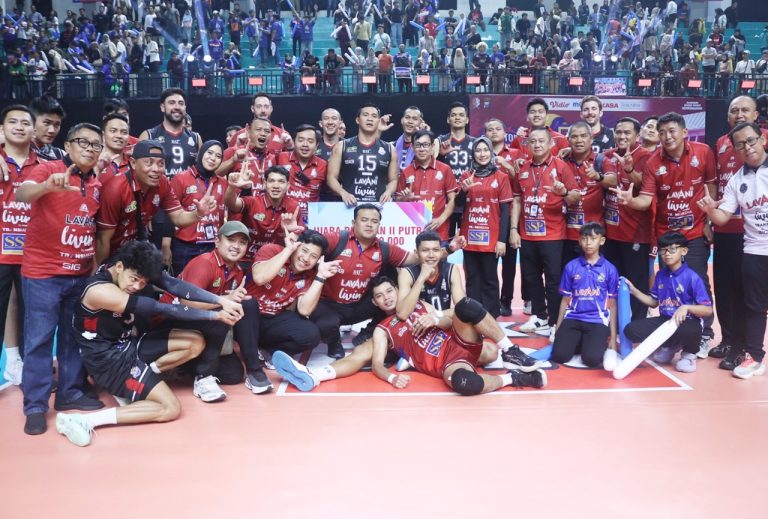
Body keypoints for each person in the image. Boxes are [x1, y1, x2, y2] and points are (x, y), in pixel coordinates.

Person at [54, 240, 242, 447]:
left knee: (195, 342)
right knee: (171, 408)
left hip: (129, 344)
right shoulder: (100, 291)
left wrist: (220, 301)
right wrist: (215, 316)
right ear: (119, 267)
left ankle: (142, 378)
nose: (137, 286)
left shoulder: (133, 270)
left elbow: (174, 285)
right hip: (109, 361)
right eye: (134, 280)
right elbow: (162, 308)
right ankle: (85, 420)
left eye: (143, 282)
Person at [274, 277, 545, 393]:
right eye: (379, 296)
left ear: (396, 291)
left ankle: (511, 350)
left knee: (466, 307)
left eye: (389, 292)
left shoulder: (418, 305)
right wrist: (390, 376)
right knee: (466, 384)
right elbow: (376, 364)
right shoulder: (384, 329)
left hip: (459, 340)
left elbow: (451, 318)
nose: (386, 298)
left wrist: (436, 319)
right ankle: (516, 378)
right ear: (376, 303)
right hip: (449, 363)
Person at [16, 123, 105, 436]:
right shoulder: (48, 169)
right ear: (68, 145)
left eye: (96, 144)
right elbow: (22, 193)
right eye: (83, 142)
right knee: (39, 340)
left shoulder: (96, 182)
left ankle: (69, 393)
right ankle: (35, 406)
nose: (90, 149)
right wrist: (45, 187)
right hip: (44, 274)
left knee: (73, 338)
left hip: (79, 275)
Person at [612, 112, 716, 352]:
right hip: (666, 235)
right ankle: (672, 335)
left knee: (698, 281)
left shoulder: (703, 152)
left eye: (672, 131)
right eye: (662, 133)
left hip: (695, 231)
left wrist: (709, 221)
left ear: (684, 132)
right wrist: (630, 201)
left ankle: (703, 333)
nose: (667, 137)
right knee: (668, 283)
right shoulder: (653, 162)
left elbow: (711, 187)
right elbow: (646, 200)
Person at [308, 203, 430, 359]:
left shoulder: (383, 248)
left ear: (379, 225)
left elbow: (413, 259)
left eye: (374, 221)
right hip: (330, 305)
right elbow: (308, 246)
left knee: (390, 284)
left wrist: (447, 250)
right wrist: (295, 236)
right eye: (364, 220)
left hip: (360, 305)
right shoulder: (337, 239)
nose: (369, 224)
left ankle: (371, 330)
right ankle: (333, 341)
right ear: (353, 223)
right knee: (326, 324)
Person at [697, 121, 768, 379]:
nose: (747, 147)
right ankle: (755, 357)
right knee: (754, 306)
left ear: (762, 139)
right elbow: (723, 217)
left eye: (751, 140)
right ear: (735, 151)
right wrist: (710, 211)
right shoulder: (737, 181)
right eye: (740, 145)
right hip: (755, 250)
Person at [95, 140, 219, 267]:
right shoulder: (116, 189)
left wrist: (198, 213)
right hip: (112, 254)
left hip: (136, 251)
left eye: (161, 164)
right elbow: (102, 240)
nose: (156, 169)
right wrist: (101, 273)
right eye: (149, 163)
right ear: (133, 163)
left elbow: (178, 217)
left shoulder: (163, 182)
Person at [510, 128, 580, 337]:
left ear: (550, 144)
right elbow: (517, 200)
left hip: (553, 235)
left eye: (542, 141)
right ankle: (539, 316)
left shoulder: (561, 166)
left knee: (553, 280)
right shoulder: (522, 168)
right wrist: (514, 229)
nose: (537, 145)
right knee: (531, 278)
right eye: (533, 141)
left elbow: (575, 197)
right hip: (527, 234)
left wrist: (563, 192)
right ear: (528, 145)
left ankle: (555, 321)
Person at [622, 232, 713, 373]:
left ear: (684, 251)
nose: (667, 254)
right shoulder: (661, 274)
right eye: (663, 250)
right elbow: (653, 302)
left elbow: (707, 310)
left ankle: (689, 355)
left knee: (692, 330)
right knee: (631, 330)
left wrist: (686, 308)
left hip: (687, 322)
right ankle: (669, 345)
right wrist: (634, 291)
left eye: (672, 249)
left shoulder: (692, 277)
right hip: (666, 320)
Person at [247, 229, 340, 359]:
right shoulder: (272, 250)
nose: (306, 259)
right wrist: (288, 250)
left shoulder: (309, 274)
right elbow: (259, 278)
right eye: (304, 251)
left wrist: (321, 276)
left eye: (313, 256)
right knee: (248, 305)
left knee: (311, 335)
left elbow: (304, 310)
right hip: (247, 315)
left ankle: (268, 353)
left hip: (273, 318)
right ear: (296, 246)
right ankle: (250, 356)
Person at [0, 105, 40, 386]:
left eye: (25, 123)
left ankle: (27, 371)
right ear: (2, 129)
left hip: (32, 256)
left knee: (30, 317)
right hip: (1, 255)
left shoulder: (44, 165)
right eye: (12, 122)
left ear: (33, 130)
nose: (19, 127)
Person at [601, 117, 654, 321]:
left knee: (636, 283)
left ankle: (638, 324)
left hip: (636, 234)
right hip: (611, 233)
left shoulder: (647, 156)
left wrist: (630, 169)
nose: (622, 136)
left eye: (627, 132)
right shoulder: (607, 155)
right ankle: (615, 322)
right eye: (619, 132)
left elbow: (644, 187)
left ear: (637, 136)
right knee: (613, 281)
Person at [551, 222, 618, 367]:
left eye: (593, 238)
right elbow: (565, 300)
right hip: (573, 318)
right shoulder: (571, 266)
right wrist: (558, 329)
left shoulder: (610, 269)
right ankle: (581, 341)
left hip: (597, 320)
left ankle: (590, 342)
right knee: (559, 356)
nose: (588, 243)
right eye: (584, 238)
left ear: (602, 241)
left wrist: (613, 337)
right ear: (579, 241)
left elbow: (612, 304)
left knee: (591, 359)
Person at [459, 136, 512, 318]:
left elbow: (505, 211)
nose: (482, 154)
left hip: (491, 239)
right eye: (478, 150)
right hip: (469, 238)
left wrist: (502, 240)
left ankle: (491, 316)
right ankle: (473, 315)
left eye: (485, 150)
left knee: (490, 278)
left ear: (491, 152)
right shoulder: (466, 176)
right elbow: (458, 206)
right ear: (473, 153)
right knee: (472, 278)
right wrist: (463, 191)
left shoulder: (501, 177)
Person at [168, 140, 228, 274]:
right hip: (185, 246)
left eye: (218, 156)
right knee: (182, 283)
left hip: (211, 245)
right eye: (210, 153)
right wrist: (166, 244)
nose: (213, 158)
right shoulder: (181, 178)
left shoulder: (223, 183)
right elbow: (169, 212)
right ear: (200, 154)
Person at [561, 122, 616, 266]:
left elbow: (613, 181)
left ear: (591, 139)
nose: (579, 140)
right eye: (574, 136)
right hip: (565, 235)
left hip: (593, 235)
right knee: (567, 275)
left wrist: (598, 176)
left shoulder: (601, 160)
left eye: (583, 136)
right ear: (568, 140)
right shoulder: (561, 161)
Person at [225, 165, 301, 263]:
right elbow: (232, 204)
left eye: (281, 181)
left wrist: (292, 233)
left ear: (288, 185)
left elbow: (297, 240)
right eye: (271, 181)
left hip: (272, 261)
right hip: (244, 259)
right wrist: (231, 187)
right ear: (265, 184)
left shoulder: (294, 208)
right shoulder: (253, 202)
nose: (276, 186)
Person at [326, 103, 398, 205]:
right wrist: (343, 193)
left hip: (378, 207)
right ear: (357, 120)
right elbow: (331, 178)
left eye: (374, 116)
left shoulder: (390, 149)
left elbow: (394, 180)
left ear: (378, 121)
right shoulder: (341, 146)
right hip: (349, 206)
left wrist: (388, 192)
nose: (370, 119)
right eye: (365, 115)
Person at [396, 130, 457, 242]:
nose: (422, 149)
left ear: (432, 146)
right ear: (412, 147)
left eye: (425, 145)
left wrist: (440, 219)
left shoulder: (445, 169)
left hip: (440, 231)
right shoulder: (406, 172)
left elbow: (452, 200)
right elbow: (397, 201)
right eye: (418, 145)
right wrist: (405, 199)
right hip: (413, 233)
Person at [434, 102, 475, 235]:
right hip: (445, 201)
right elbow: (431, 168)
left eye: (461, 115)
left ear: (467, 120)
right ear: (448, 119)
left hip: (469, 200)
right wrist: (441, 155)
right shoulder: (439, 141)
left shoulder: (475, 143)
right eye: (454, 115)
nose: (457, 117)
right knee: (445, 241)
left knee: (467, 242)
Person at [276, 124, 328, 223]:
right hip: (283, 216)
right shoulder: (281, 157)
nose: (305, 144)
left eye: (310, 141)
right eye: (300, 140)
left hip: (310, 220)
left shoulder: (323, 165)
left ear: (317, 145)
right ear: (294, 142)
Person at [217, 117, 278, 194]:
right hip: (238, 201)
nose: (263, 134)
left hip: (263, 201)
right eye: (258, 129)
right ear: (248, 131)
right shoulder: (233, 151)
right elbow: (214, 175)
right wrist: (233, 160)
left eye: (267, 131)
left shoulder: (273, 158)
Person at [226, 93, 294, 154]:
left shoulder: (283, 135)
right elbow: (227, 160)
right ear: (252, 108)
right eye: (259, 106)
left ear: (271, 109)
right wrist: (237, 146)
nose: (263, 110)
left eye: (266, 107)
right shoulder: (238, 136)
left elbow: (293, 160)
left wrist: (291, 147)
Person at [28, 96, 66, 161]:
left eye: (57, 125)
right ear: (31, 121)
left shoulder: (61, 155)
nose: (52, 130)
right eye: (47, 123)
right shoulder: (17, 153)